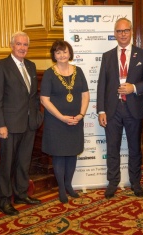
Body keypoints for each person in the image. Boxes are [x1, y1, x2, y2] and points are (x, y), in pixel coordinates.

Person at [97, 17, 143, 199]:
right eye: (119, 31)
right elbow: (101, 85)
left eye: (126, 31)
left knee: (135, 149)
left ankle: (135, 182)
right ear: (115, 34)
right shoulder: (107, 56)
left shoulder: (142, 55)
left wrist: (133, 88)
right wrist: (101, 110)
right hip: (113, 110)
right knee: (112, 148)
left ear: (131, 32)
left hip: (134, 109)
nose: (122, 34)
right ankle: (113, 182)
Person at [0, 31, 43, 216]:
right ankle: (3, 200)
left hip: (29, 124)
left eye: (25, 45)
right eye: (19, 44)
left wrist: (36, 116)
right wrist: (0, 124)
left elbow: (33, 96)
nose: (22, 48)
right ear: (11, 45)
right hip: (9, 125)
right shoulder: (0, 66)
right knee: (7, 164)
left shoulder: (31, 65)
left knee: (23, 161)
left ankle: (21, 193)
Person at [40, 40, 90, 203]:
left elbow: (85, 95)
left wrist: (81, 115)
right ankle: (61, 188)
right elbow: (44, 100)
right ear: (54, 55)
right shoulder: (49, 73)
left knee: (72, 154)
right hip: (56, 122)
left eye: (64, 52)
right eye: (58, 52)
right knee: (59, 156)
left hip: (76, 120)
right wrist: (61, 117)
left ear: (70, 53)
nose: (62, 55)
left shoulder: (79, 71)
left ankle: (69, 185)